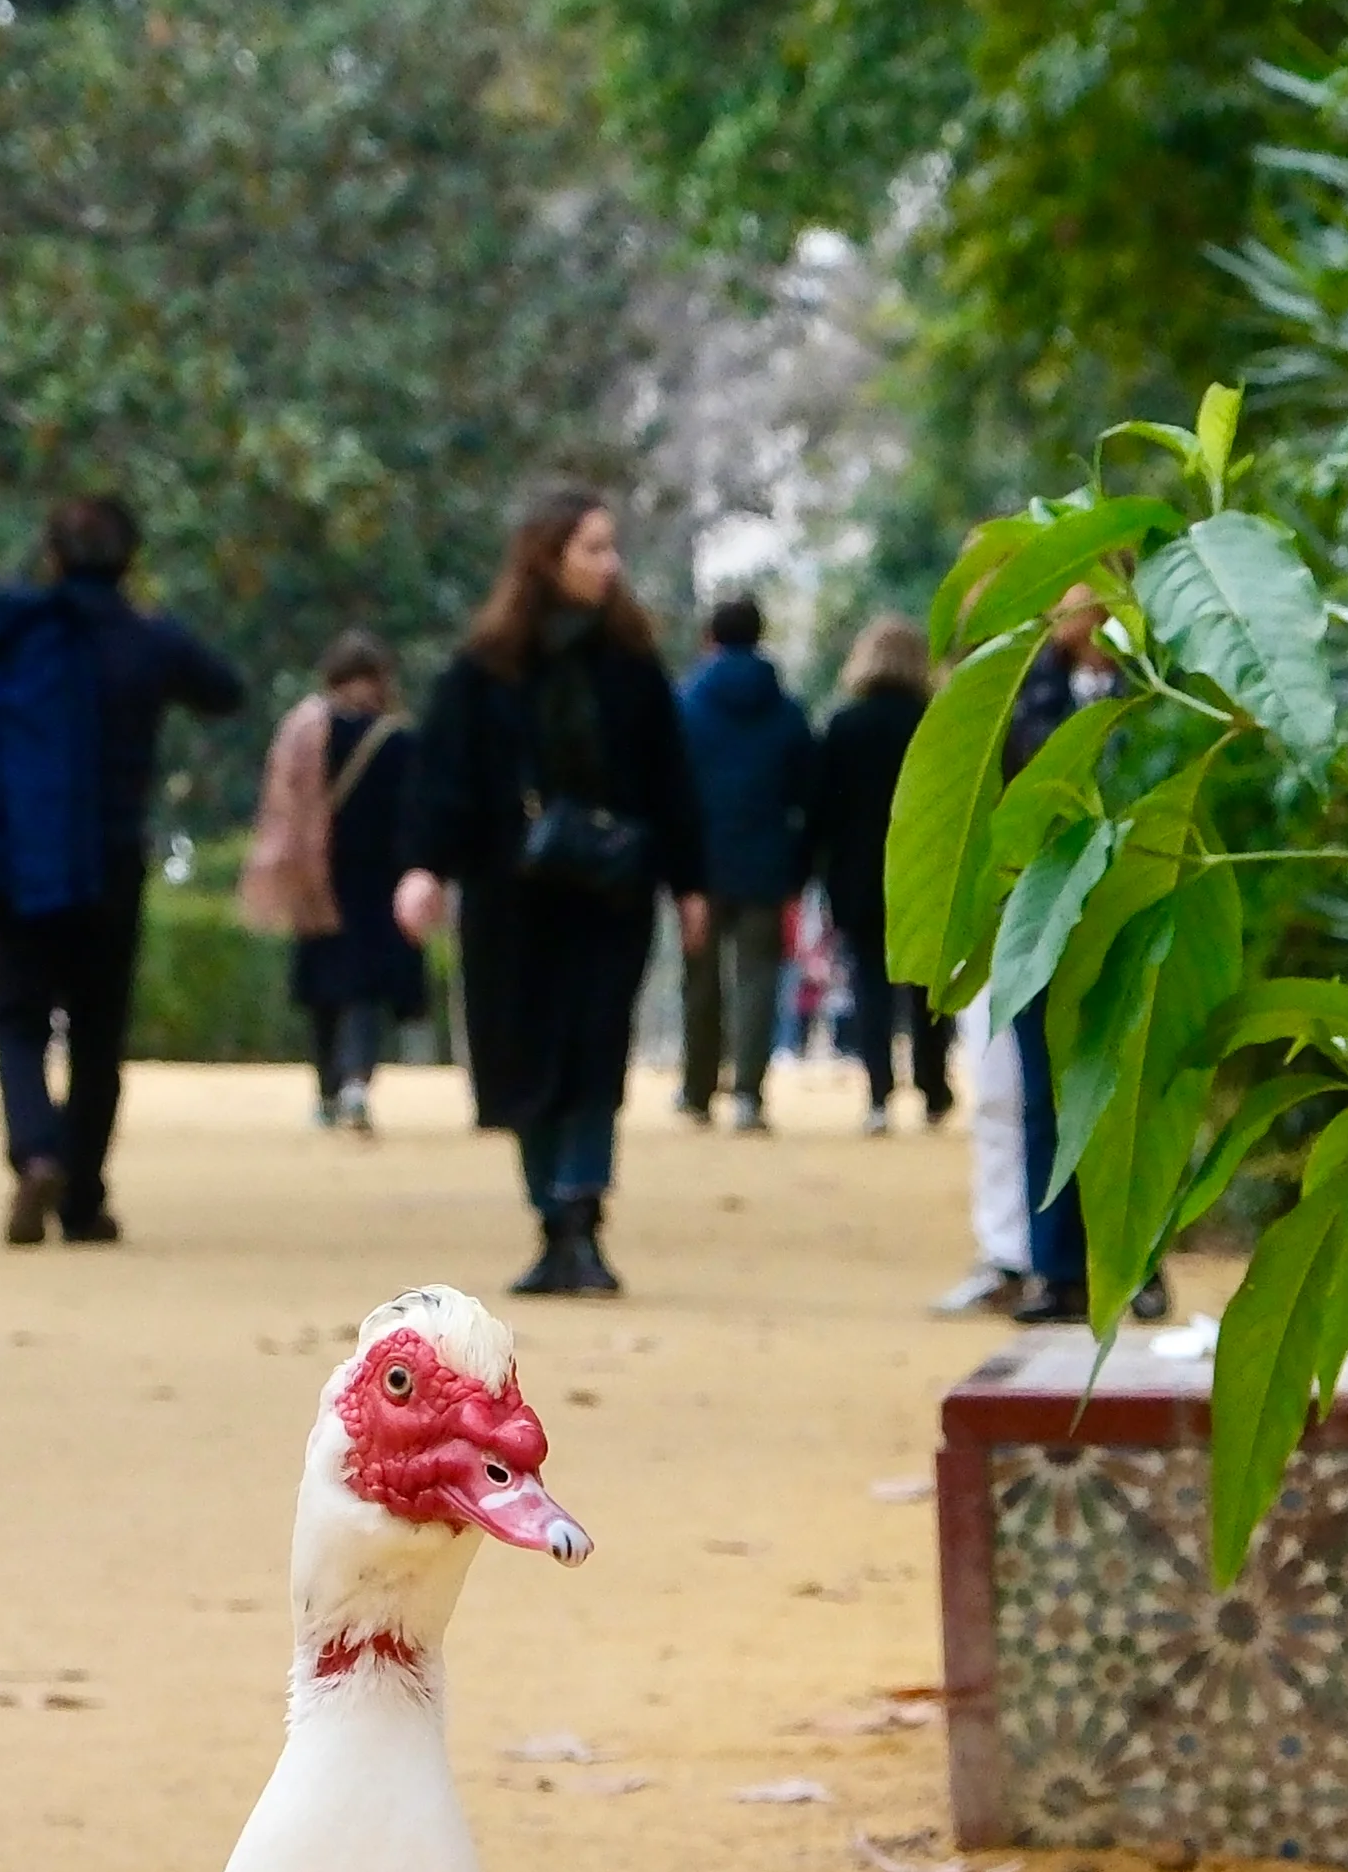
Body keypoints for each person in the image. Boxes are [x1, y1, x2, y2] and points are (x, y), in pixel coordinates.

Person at [0, 488, 244, 1244]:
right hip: (110, 862)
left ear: (53, 557)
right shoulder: (146, 641)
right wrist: (155, 635)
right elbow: (225, 691)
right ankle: (84, 1198)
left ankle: (35, 1150)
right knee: (98, 1033)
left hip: (20, 859)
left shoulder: (9, 629)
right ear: (131, 562)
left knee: (20, 1017)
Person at [399, 486, 697, 1302]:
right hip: (512, 898)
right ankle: (549, 1220)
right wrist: (425, 868)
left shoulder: (633, 668)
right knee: (524, 1057)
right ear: (546, 557)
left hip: (609, 896)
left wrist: (690, 883)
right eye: (593, 548)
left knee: (595, 1054)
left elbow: (670, 780)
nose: (610, 564)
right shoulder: (481, 673)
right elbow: (444, 782)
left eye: (612, 548)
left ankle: (581, 1215)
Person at [239, 635, 425, 1131]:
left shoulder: (302, 729)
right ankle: (355, 1083)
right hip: (376, 879)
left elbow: (280, 807)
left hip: (316, 877)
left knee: (324, 987)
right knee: (365, 989)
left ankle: (325, 1090)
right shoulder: (398, 739)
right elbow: (412, 814)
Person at [997, 583, 1115, 1322]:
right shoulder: (1025, 690)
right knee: (1045, 1095)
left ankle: (1126, 1260)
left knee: (1123, 1091)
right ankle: (1054, 1267)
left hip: (1125, 903)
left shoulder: (1159, 686)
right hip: (1041, 907)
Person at [806, 612, 954, 1149]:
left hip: (858, 876)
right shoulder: (934, 722)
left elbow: (820, 809)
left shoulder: (844, 727)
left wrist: (812, 871)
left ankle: (877, 1095)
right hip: (926, 874)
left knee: (869, 984)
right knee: (926, 988)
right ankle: (934, 1089)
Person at [671, 588, 814, 1132]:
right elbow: (807, 789)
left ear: (710, 638)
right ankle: (750, 1094)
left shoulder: (685, 706)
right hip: (765, 861)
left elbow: (670, 785)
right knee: (757, 977)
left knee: (700, 979)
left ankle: (697, 1089)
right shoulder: (786, 711)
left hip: (700, 864)